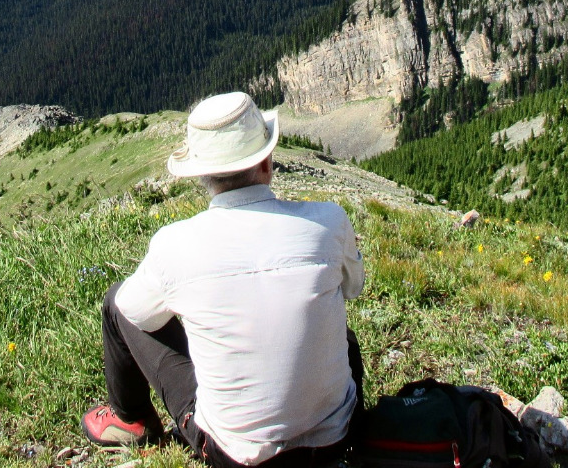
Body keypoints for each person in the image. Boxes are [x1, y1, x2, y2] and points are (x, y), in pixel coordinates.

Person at [81, 91, 365, 468]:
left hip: (235, 455)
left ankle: (131, 420)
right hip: (337, 438)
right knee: (343, 336)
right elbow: (353, 287)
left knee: (117, 299)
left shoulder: (174, 244)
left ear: (202, 175)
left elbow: (135, 313)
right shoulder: (329, 220)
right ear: (265, 162)